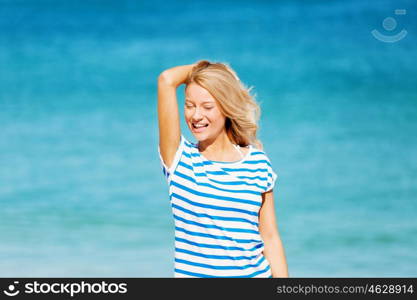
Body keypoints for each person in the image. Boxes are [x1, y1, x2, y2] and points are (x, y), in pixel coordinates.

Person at [157, 60, 289, 278]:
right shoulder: (179, 159)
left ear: (226, 108)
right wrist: (206, 67)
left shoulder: (257, 163)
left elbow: (270, 237)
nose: (196, 116)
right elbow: (166, 80)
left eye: (207, 107)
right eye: (189, 105)